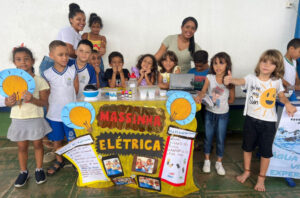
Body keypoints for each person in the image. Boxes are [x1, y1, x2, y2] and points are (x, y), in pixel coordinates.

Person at [224, 49, 297, 191]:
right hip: (251, 120)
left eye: (271, 63)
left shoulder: (276, 82)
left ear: (277, 67)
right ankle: (246, 171)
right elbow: (240, 81)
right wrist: (231, 80)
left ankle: (261, 179)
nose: (266, 65)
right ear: (260, 63)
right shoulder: (252, 78)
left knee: (266, 152)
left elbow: (281, 96)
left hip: (268, 123)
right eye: (264, 61)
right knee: (247, 148)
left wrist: (287, 103)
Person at [6, 46, 51, 187]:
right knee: (22, 147)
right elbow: (8, 102)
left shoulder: (39, 81)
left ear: (32, 61)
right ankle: (24, 172)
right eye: (18, 60)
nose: (23, 62)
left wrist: (32, 99)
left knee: (38, 144)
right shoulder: (10, 81)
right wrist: (9, 101)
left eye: (26, 59)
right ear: (14, 62)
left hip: (35, 117)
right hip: (18, 118)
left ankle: (39, 169)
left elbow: (44, 102)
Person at [194, 52, 235, 176]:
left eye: (221, 63)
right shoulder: (210, 77)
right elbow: (203, 91)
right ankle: (207, 161)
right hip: (209, 113)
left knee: (221, 139)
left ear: (227, 65)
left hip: (223, 115)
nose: (218, 66)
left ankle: (219, 163)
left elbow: (232, 99)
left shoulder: (230, 81)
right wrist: (200, 97)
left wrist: (220, 103)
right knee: (208, 138)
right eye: (215, 63)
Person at [42, 40, 79, 176]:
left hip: (70, 114)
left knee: (72, 139)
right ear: (51, 56)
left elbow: (75, 90)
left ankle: (76, 162)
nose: (65, 58)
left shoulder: (72, 71)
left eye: (66, 54)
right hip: (54, 114)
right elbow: (46, 93)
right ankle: (59, 160)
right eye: (60, 55)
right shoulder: (47, 74)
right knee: (57, 140)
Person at [281, 38, 300, 187]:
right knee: (280, 129)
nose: (299, 55)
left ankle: (288, 167)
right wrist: (292, 86)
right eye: (299, 52)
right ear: (292, 48)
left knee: (290, 131)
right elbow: (279, 78)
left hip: (292, 97)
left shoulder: (294, 62)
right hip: (282, 98)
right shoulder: (280, 60)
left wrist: (297, 85)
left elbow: (295, 77)